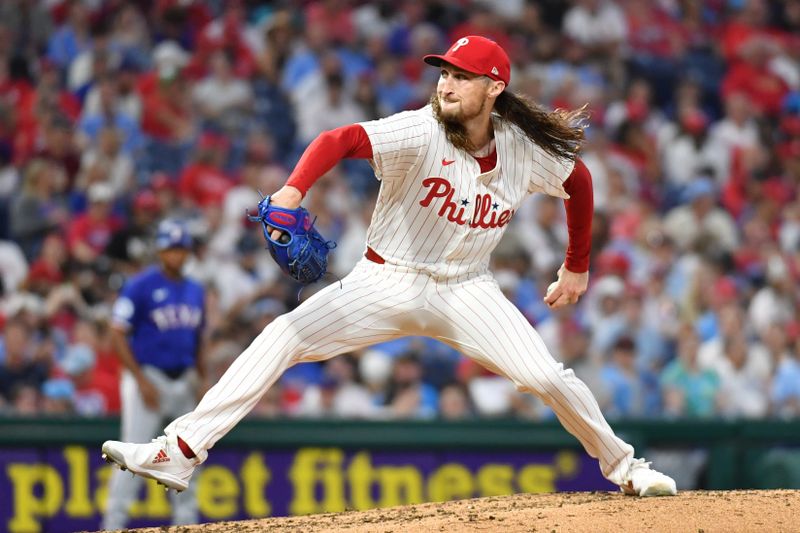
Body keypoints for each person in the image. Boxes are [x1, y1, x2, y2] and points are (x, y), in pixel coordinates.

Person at [102, 35, 676, 498]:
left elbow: (578, 179)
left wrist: (577, 266)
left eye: (461, 75)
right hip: (384, 280)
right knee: (282, 335)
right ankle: (178, 452)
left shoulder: (520, 147)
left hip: (467, 291)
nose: (446, 83)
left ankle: (626, 468)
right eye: (443, 72)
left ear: (494, 88)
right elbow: (339, 137)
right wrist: (292, 191)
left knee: (547, 376)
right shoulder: (420, 128)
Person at [102, 218, 207, 530]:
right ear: (160, 251)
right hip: (148, 377)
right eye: (170, 248)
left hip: (183, 379)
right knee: (131, 454)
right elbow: (117, 332)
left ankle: (186, 524)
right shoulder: (140, 285)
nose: (175, 254)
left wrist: (201, 378)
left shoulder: (195, 290)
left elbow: (198, 337)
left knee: (189, 457)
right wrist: (140, 379)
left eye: (180, 249)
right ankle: (114, 524)